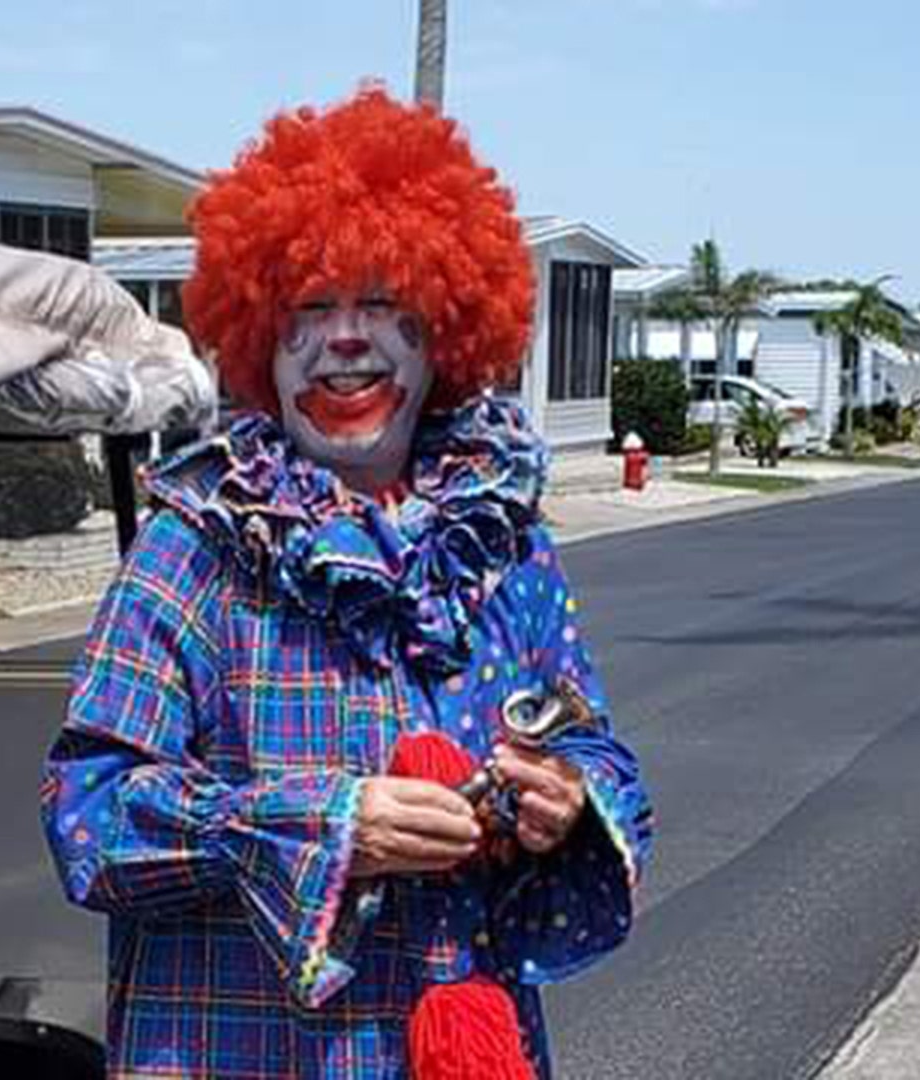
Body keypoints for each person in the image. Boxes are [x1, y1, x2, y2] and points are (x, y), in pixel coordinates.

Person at [40, 86, 652, 1079]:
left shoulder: (507, 549)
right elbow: (89, 817)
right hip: (237, 1049)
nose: (348, 338)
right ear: (261, 343)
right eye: (312, 308)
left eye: (384, 304)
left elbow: (594, 747)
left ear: (444, 329)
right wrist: (319, 828)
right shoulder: (192, 551)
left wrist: (569, 801)